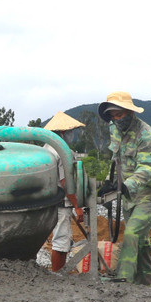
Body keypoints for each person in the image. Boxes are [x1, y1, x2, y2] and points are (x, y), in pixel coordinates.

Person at [97, 91, 151, 285]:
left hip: (149, 191)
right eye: (113, 115)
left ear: (129, 112)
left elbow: (146, 167)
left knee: (132, 232)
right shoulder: (114, 129)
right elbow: (116, 158)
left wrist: (127, 186)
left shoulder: (145, 134)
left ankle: (124, 279)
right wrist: (109, 183)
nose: (116, 119)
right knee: (141, 241)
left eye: (120, 114)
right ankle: (150, 283)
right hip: (127, 192)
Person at [43, 112, 86, 273]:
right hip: (61, 203)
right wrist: (77, 206)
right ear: (62, 133)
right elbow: (66, 183)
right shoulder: (62, 151)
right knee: (61, 241)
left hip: (47, 202)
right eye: (70, 132)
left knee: (55, 238)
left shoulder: (45, 150)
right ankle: (57, 275)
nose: (71, 135)